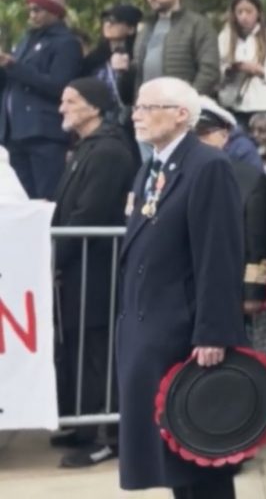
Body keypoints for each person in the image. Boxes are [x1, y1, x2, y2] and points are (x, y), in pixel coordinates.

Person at [116, 77, 244, 498]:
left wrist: (213, 331)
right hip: (150, 328)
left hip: (185, 331)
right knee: (174, 458)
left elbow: (218, 255)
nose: (137, 115)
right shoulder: (151, 167)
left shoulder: (208, 165)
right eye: (136, 107)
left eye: (147, 107)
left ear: (180, 114)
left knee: (201, 453)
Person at [52, 78, 138, 468]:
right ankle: (84, 424)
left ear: (95, 107)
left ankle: (109, 435)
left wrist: (56, 256)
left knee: (99, 353)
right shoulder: (88, 148)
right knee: (80, 350)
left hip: (97, 270)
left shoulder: (109, 152)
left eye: (70, 101)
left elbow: (89, 213)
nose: (61, 109)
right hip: (79, 268)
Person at [194, 98, 266, 356]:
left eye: (205, 134)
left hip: (231, 288)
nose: (198, 141)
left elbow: (258, 239)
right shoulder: (182, 173)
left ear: (223, 135)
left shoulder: (248, 177)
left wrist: (253, 290)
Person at [0, 0, 83, 198]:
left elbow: (59, 86)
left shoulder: (66, 43)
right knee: (20, 199)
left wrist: (13, 66)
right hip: (15, 132)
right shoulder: (25, 40)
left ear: (54, 12)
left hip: (43, 133)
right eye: (30, 10)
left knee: (46, 197)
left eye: (37, 10)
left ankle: (51, 233)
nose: (32, 15)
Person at [118, 0, 220, 98]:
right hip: (147, 109)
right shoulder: (145, 29)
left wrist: (188, 100)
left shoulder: (197, 25)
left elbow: (209, 71)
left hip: (182, 110)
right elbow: (137, 72)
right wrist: (124, 71)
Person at [83, 3, 141, 142]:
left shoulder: (137, 55)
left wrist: (127, 72)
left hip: (129, 119)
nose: (108, 25)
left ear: (131, 29)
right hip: (98, 118)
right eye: (106, 21)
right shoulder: (94, 57)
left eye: (114, 22)